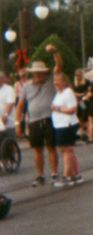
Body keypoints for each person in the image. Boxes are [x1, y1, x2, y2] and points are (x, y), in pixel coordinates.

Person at [16, 46, 63, 187]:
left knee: (51, 147)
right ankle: (40, 175)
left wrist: (55, 52)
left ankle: (54, 173)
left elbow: (59, 66)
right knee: (37, 149)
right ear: (32, 73)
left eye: (40, 73)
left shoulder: (49, 81)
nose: (38, 75)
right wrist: (18, 123)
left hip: (49, 119)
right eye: (35, 73)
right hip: (34, 121)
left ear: (44, 73)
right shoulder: (26, 87)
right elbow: (20, 105)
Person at [50, 70, 82, 187]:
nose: (55, 83)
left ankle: (67, 176)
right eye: (54, 81)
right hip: (59, 124)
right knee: (68, 150)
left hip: (66, 124)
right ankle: (76, 174)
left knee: (66, 150)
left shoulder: (68, 92)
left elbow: (72, 109)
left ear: (64, 82)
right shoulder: (59, 93)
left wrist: (57, 109)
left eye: (57, 81)